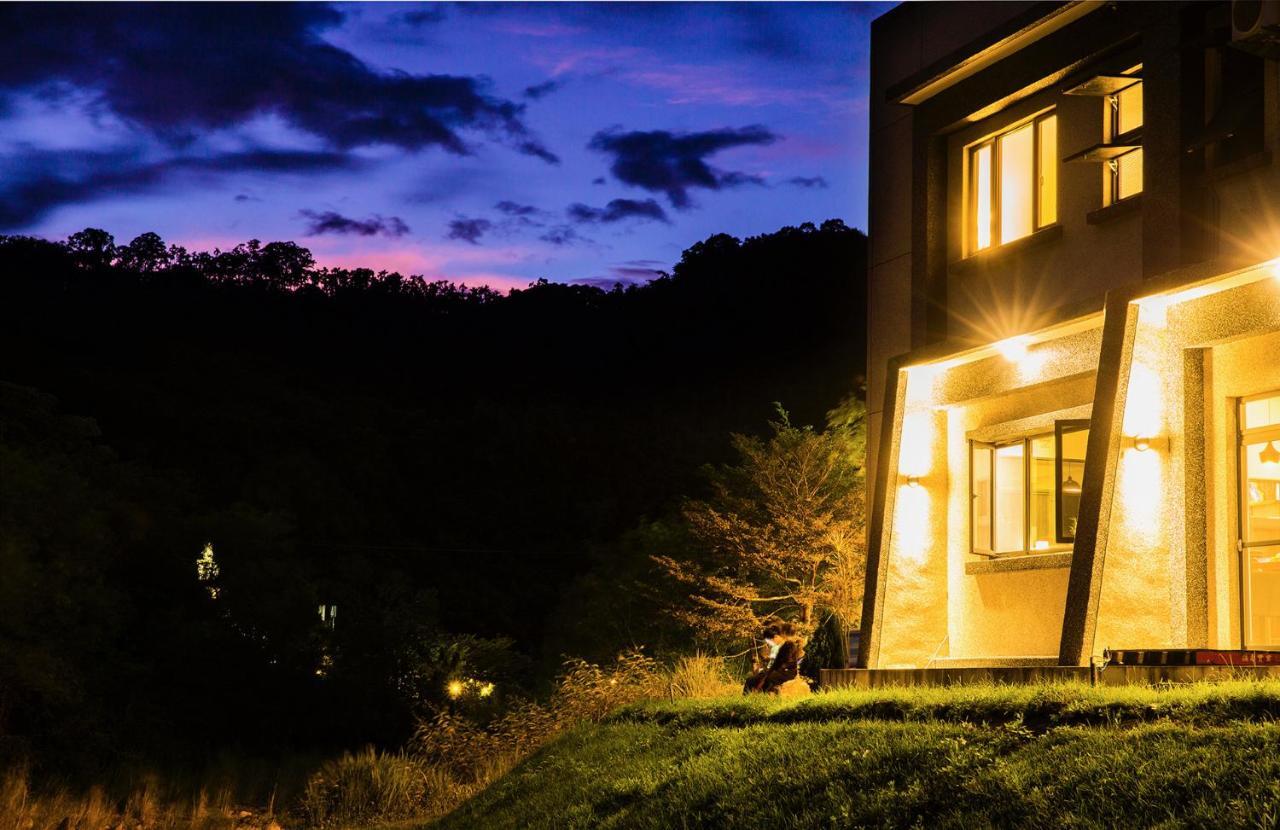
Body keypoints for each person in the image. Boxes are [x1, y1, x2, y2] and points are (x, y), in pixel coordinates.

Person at [743, 622, 803, 694]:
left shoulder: (789, 645)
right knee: (750, 679)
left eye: (769, 641)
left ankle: (763, 696)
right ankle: (745, 698)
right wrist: (767, 671)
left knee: (769, 678)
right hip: (777, 670)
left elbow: (787, 662)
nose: (769, 644)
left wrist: (771, 671)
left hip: (787, 672)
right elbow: (776, 663)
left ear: (776, 637)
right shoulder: (779, 646)